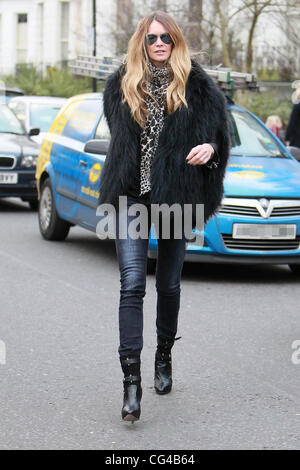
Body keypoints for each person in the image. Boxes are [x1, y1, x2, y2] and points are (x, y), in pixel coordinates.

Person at [99, 10, 230, 422]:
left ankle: (164, 354)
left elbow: (219, 139)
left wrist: (209, 150)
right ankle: (131, 382)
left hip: (175, 195)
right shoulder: (120, 85)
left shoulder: (199, 88)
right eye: (152, 37)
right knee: (132, 283)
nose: (159, 43)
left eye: (167, 38)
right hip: (129, 197)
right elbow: (119, 141)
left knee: (169, 285)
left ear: (176, 43)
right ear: (142, 41)